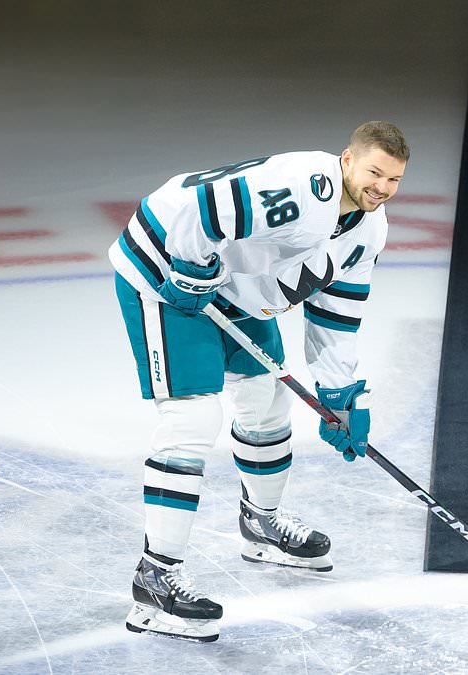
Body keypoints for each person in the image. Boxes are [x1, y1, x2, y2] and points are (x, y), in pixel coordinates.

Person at [108, 121, 410, 641]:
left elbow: (335, 315)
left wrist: (341, 395)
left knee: (269, 402)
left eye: (394, 179)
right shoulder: (306, 189)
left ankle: (260, 522)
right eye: (374, 172)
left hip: (233, 288)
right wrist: (187, 267)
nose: (381, 188)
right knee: (193, 417)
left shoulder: (368, 230)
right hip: (164, 272)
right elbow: (207, 207)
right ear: (347, 160)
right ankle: (155, 576)